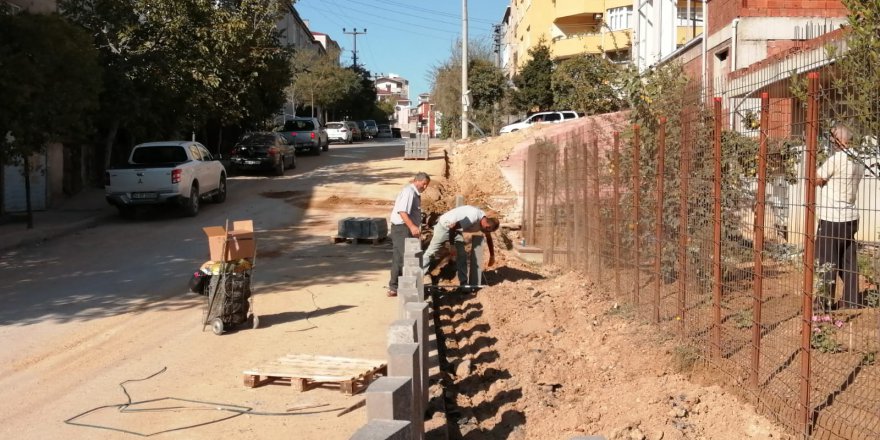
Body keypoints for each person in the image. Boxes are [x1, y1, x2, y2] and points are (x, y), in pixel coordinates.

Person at [815, 123, 865, 310]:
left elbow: (817, 178)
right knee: (848, 260)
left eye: (833, 138)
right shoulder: (858, 160)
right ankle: (851, 301)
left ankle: (823, 304)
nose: (832, 142)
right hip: (850, 217)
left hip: (832, 217)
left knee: (827, 260)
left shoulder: (837, 159)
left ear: (841, 140)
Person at [422, 205, 500, 287]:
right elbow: (452, 226)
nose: (487, 232)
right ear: (487, 226)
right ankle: (419, 275)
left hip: (456, 230)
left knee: (462, 254)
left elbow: (489, 238)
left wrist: (492, 256)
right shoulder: (472, 217)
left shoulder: (484, 220)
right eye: (488, 230)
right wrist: (452, 245)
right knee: (431, 252)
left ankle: (463, 283)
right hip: (444, 226)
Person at [387, 172, 431, 297]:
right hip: (402, 229)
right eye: (424, 184)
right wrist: (412, 226)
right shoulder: (409, 192)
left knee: (399, 257)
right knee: (405, 258)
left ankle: (394, 287)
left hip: (404, 228)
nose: (425, 187)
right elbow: (402, 211)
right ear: (417, 181)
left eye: (426, 185)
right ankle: (406, 288)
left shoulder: (413, 193)